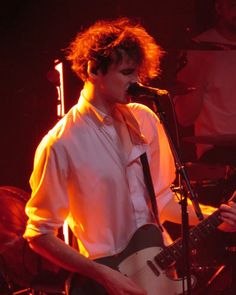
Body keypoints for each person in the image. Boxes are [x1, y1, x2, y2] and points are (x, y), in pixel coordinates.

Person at [23, 17, 236, 295]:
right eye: (127, 73)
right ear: (93, 70)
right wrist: (104, 275)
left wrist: (217, 217)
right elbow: (38, 234)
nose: (136, 81)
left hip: (159, 272)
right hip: (104, 282)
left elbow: (165, 201)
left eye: (138, 73)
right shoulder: (62, 143)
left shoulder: (145, 119)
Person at [174, 0, 236, 165]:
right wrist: (200, 73)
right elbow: (184, 117)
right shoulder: (198, 49)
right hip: (217, 157)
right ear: (219, 7)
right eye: (234, 6)